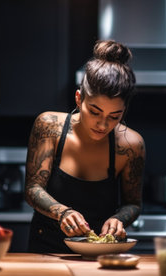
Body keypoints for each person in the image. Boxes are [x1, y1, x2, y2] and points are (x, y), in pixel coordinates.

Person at [25, 40, 146, 253]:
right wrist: (62, 212)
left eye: (114, 116)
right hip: (46, 250)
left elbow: (133, 204)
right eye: (95, 112)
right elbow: (33, 189)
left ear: (124, 112)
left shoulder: (131, 145)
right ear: (79, 99)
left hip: (100, 254)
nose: (102, 124)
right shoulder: (49, 126)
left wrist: (118, 219)